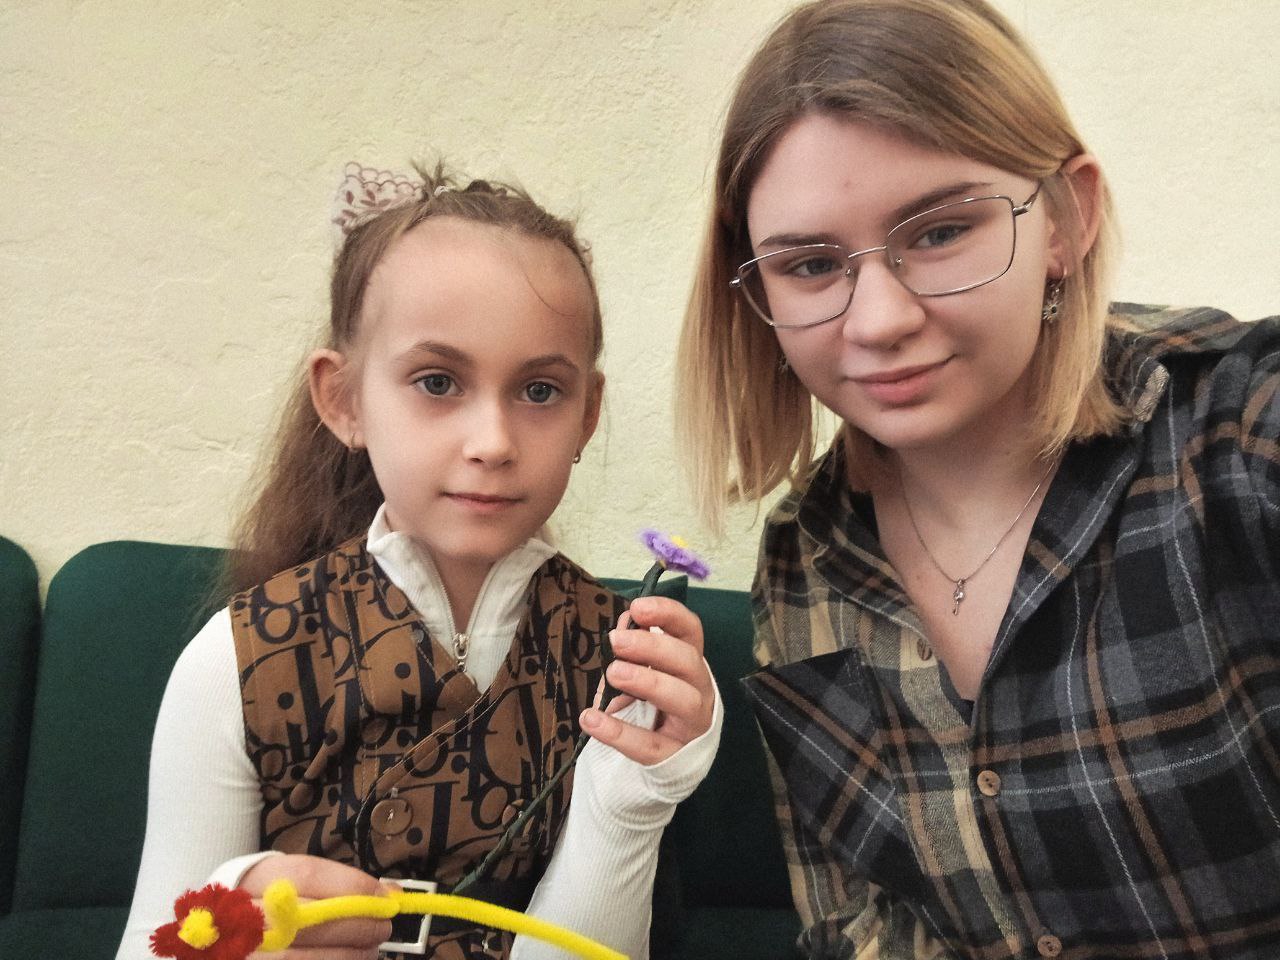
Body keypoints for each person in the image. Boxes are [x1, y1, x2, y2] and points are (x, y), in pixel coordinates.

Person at [676, 1, 1280, 958]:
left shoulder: (1240, 435)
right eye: (813, 265)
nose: (878, 320)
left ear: (1066, 218)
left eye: (940, 232)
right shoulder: (802, 559)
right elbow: (855, 926)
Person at [118, 164, 722, 960]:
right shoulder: (234, 660)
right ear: (344, 400)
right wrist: (232, 916)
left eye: (540, 391)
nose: (493, 443)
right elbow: (153, 942)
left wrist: (633, 799)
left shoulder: (625, 666)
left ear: (588, 415)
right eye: (437, 382)